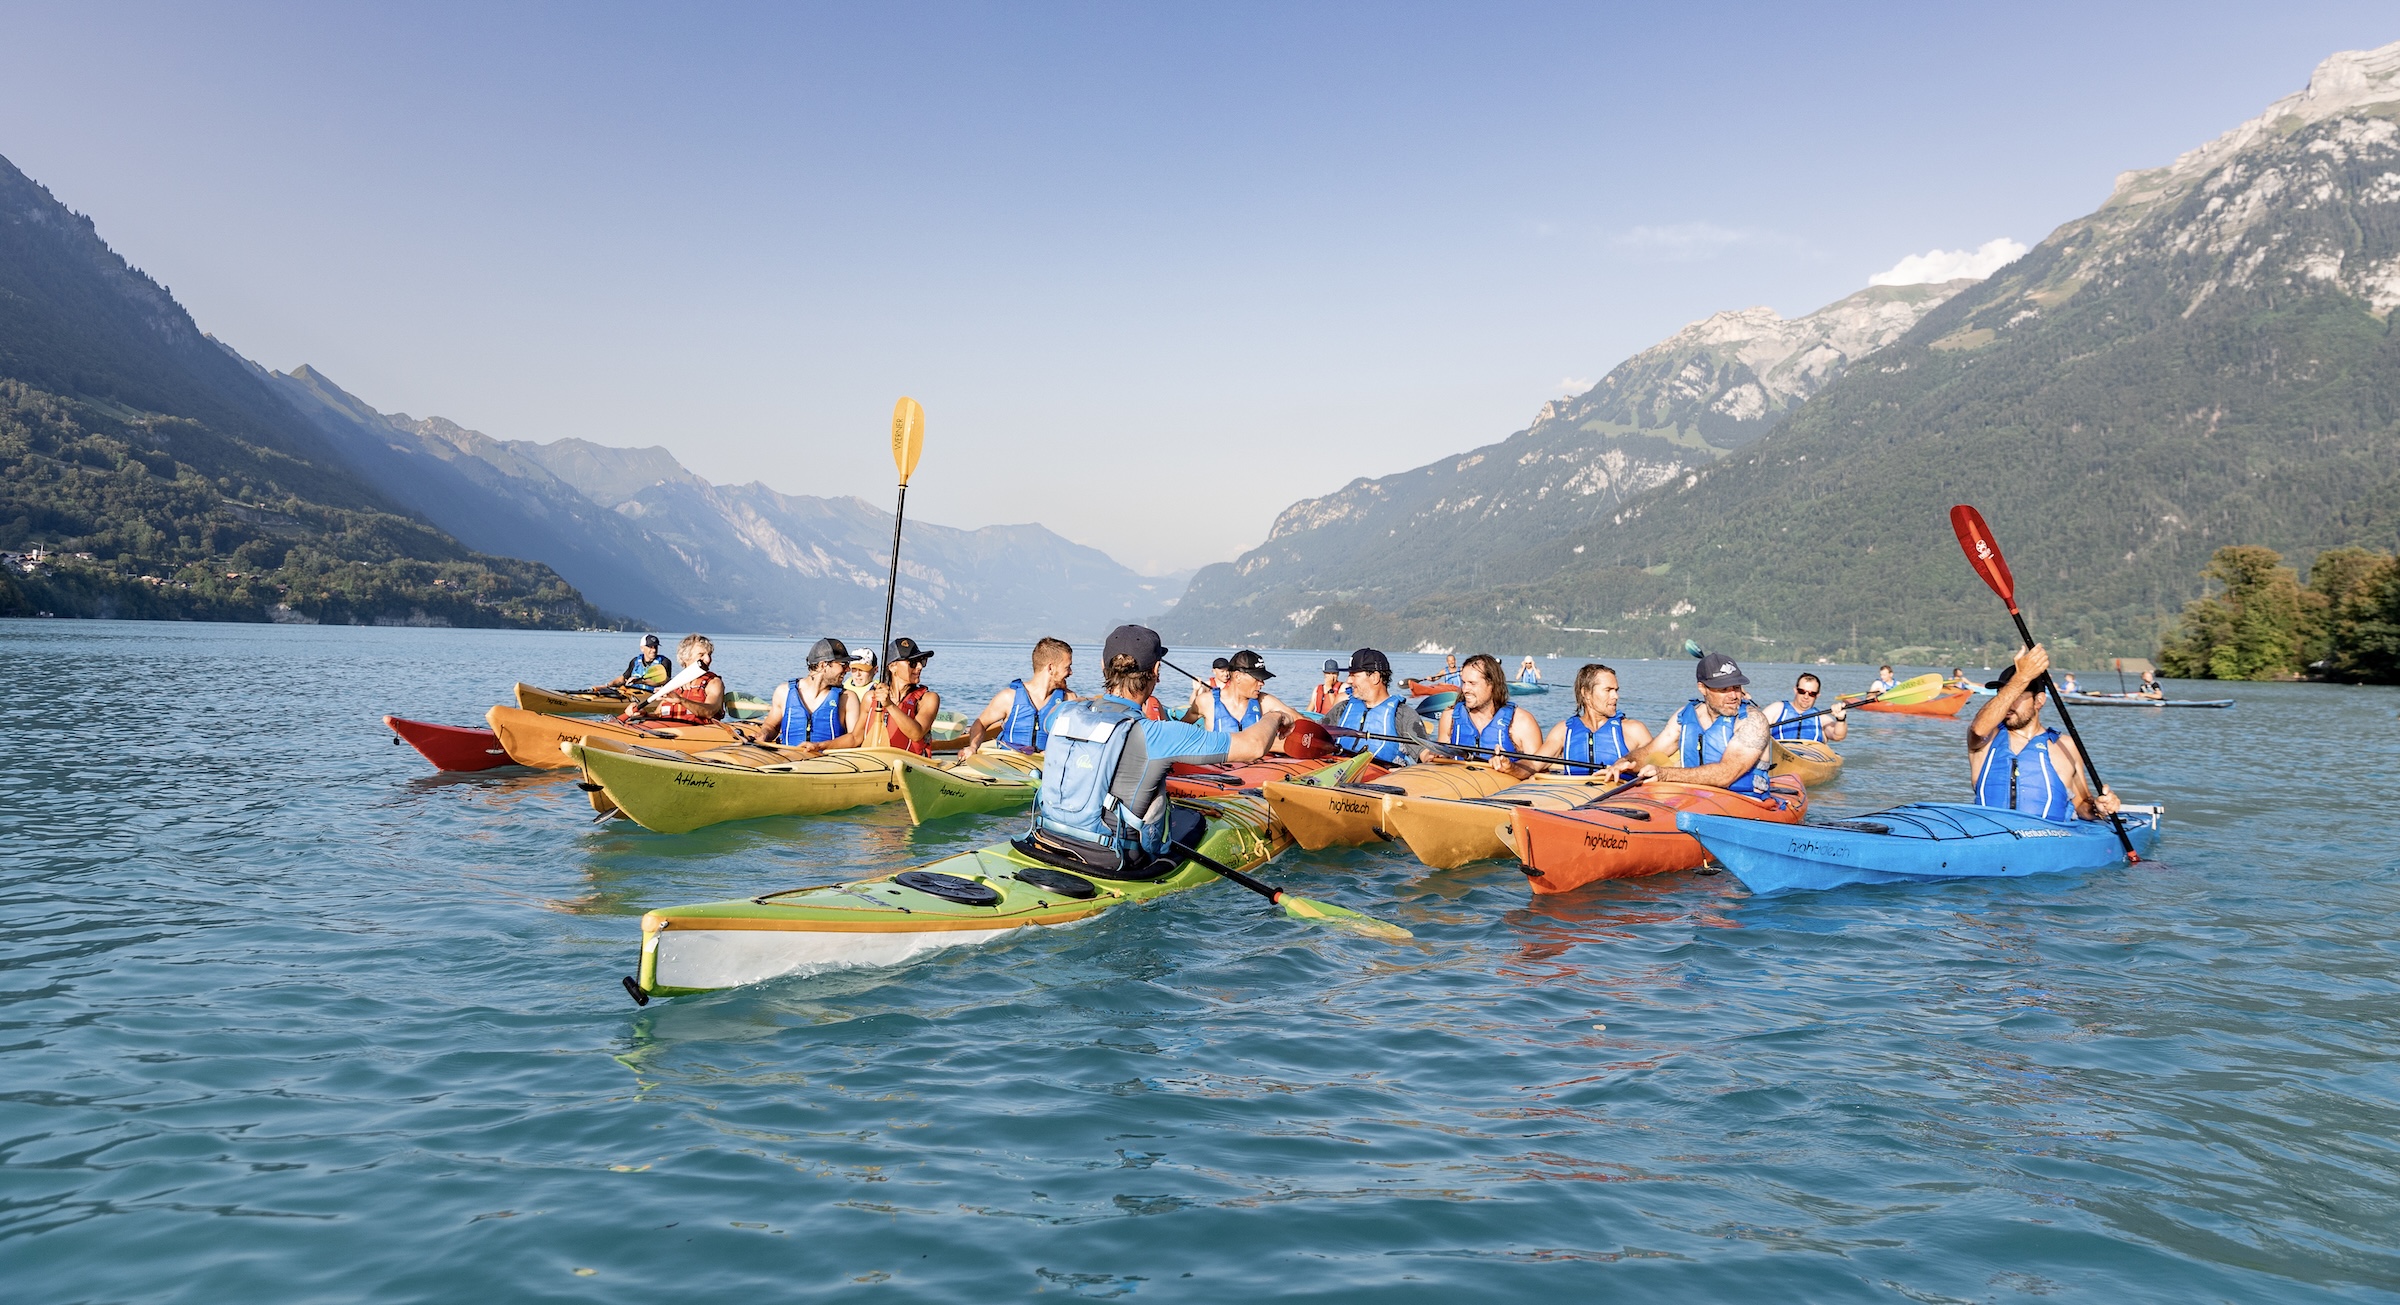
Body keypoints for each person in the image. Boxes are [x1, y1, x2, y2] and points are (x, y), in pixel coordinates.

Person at [1026, 625, 1292, 870]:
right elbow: (1254, 746)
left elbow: (1082, 710)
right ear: (1155, 672)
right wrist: (1276, 716)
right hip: (1111, 858)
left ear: (1103, 667)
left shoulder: (1063, 712)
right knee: (1194, 821)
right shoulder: (1158, 734)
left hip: (1046, 837)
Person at [1967, 643, 2120, 821]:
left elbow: (2082, 806)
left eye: (2015, 696)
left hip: (2048, 840)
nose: (2006, 705)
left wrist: (2099, 809)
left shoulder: (2066, 746)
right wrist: (2021, 678)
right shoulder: (1985, 740)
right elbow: (1978, 729)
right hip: (1989, 836)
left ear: (2039, 701)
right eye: (2002, 696)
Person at [1623, 652, 1774, 796]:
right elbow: (1651, 751)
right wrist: (1625, 763)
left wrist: (1665, 774)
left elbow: (1726, 774)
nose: (1733, 696)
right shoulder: (1684, 717)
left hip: (1743, 799)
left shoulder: (1753, 721)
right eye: (1723, 689)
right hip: (1692, 795)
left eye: (1736, 687)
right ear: (1702, 688)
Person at [1432, 654, 1546, 776]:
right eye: (1464, 682)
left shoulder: (1522, 722)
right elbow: (1442, 763)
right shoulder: (1449, 717)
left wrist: (1512, 768)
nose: (1465, 689)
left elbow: (1538, 770)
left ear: (1492, 684)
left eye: (1472, 683)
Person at [962, 638, 1075, 758]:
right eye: (1067, 667)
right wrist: (973, 747)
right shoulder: (1009, 698)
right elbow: (980, 723)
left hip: (1046, 765)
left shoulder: (1068, 699)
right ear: (1050, 668)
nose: (1071, 672)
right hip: (1010, 764)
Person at [753, 637, 863, 752]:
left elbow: (855, 738)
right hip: (787, 760)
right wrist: (764, 733)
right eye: (843, 664)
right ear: (823, 665)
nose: (847, 670)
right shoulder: (783, 692)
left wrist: (820, 746)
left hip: (828, 764)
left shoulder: (848, 698)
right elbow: (771, 726)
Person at [1539, 663, 1651, 775]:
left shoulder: (1634, 729)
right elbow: (1533, 764)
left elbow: (1659, 768)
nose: (1616, 696)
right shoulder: (1563, 731)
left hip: (1620, 790)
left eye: (1616, 690)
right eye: (1608, 690)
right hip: (1575, 791)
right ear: (1586, 693)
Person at [1327, 647, 1424, 766]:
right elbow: (1315, 731)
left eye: (1354, 675)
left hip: (1380, 779)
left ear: (1374, 677)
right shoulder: (1342, 708)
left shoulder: (1403, 714)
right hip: (1337, 772)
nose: (1348, 680)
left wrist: (1433, 755)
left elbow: (1425, 753)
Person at [1187, 650, 1303, 734]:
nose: (1262, 683)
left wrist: (1288, 722)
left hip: (1256, 766)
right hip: (1217, 765)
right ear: (1237, 676)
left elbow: (1303, 721)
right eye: (1257, 678)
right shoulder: (1206, 702)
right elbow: (1178, 730)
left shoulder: (1265, 701)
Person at [860, 637, 942, 756]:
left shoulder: (928, 699)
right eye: (912, 663)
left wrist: (889, 705)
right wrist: (824, 745)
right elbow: (855, 737)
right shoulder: (870, 698)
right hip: (876, 763)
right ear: (893, 667)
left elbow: (916, 734)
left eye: (922, 661)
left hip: (911, 766)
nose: (919, 667)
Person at [625, 634, 724, 725]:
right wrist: (643, 714)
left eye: (709, 654)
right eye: (701, 655)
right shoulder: (675, 684)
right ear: (686, 657)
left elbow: (709, 712)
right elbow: (658, 715)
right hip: (667, 733)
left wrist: (681, 700)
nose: (708, 659)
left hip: (697, 735)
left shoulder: (714, 683)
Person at [1764, 673, 1849, 743]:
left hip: (1810, 759)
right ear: (1795, 690)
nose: (1806, 696)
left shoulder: (1822, 718)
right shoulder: (1776, 709)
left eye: (1812, 694)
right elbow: (1754, 727)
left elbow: (1838, 736)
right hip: (1779, 756)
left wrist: (1841, 719)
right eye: (1802, 691)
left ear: (1817, 695)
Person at [600, 634, 675, 691]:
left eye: (655, 647)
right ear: (642, 648)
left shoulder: (664, 662)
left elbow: (663, 681)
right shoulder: (635, 661)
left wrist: (640, 681)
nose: (654, 650)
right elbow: (622, 679)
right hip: (633, 693)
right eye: (650, 647)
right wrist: (608, 685)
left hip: (652, 695)